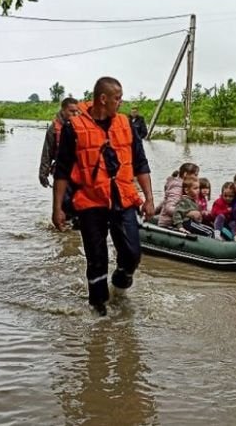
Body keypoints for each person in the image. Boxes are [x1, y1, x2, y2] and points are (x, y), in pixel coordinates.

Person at [52, 77, 155, 316]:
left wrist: (149, 198)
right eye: (117, 98)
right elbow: (62, 171)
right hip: (90, 201)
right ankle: (99, 310)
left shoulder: (126, 124)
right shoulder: (74, 127)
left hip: (124, 198)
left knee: (132, 253)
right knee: (97, 259)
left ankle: (120, 282)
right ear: (103, 99)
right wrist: (57, 208)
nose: (121, 102)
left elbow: (141, 163)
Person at [38, 97, 80, 187]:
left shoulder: (83, 127)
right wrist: (43, 174)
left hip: (80, 171)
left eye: (77, 111)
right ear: (63, 111)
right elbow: (47, 153)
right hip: (62, 172)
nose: (75, 114)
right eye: (72, 111)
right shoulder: (53, 129)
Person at [157, 163, 199, 227]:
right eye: (195, 175)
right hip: (170, 223)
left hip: (179, 221)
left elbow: (164, 202)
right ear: (185, 174)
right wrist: (188, 213)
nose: (197, 178)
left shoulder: (184, 185)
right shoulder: (178, 187)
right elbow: (169, 208)